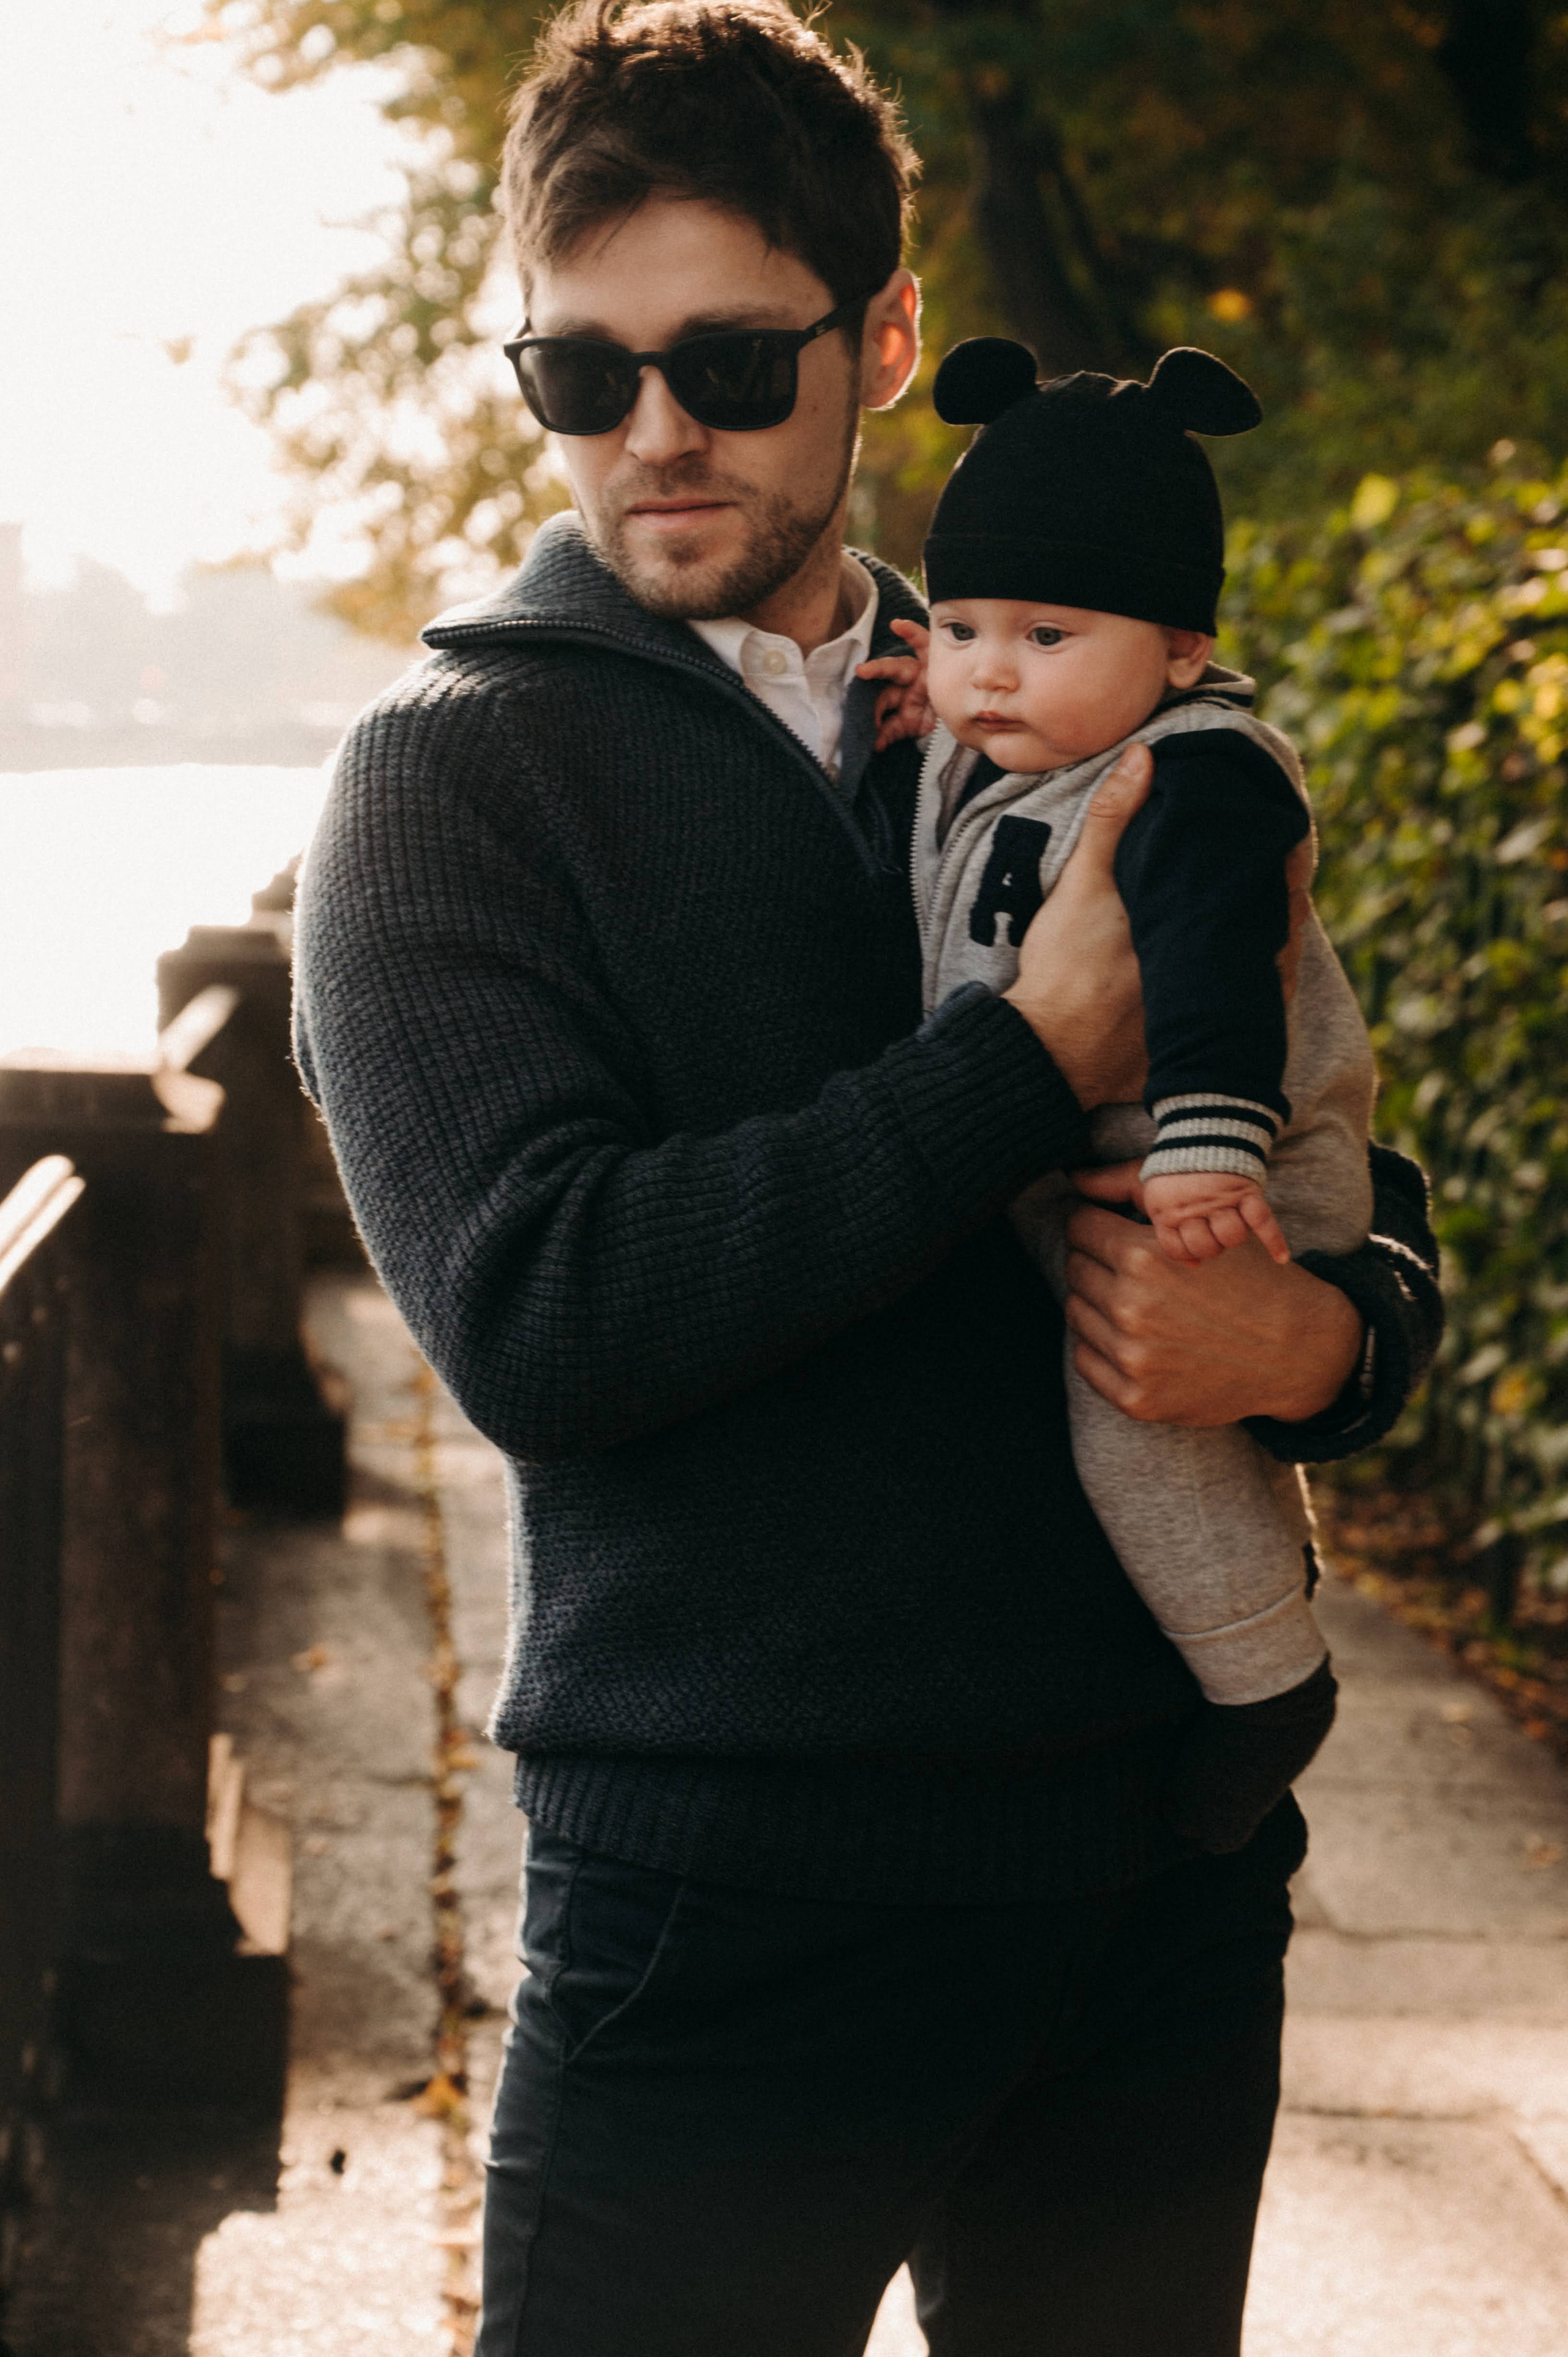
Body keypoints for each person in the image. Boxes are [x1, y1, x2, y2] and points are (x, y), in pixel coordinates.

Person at [292, 6, 1442, 2351]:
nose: (658, 434)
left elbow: (1335, 1132)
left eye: (726, 356)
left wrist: (1331, 1341)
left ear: (887, 336)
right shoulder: (445, 777)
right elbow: (543, 1316)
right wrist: (1018, 1064)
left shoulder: (1074, 693)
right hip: (728, 1911)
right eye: (580, 376)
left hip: (1157, 1882)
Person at [857, 334, 1379, 1856]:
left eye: (1043, 633)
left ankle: (1262, 1678)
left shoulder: (1197, 775)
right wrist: (931, 722)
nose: (989, 670)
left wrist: (1213, 1143)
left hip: (1220, 1170)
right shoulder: (1023, 747)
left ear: (1179, 653)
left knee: (1135, 1425)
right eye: (956, 630)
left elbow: (1216, 957)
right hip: (1102, 1163)